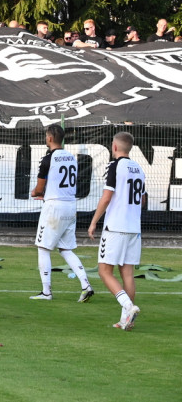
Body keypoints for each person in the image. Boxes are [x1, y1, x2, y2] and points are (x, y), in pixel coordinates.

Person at [28, 125, 94, 302]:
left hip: (54, 207)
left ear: (49, 138)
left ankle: (46, 292)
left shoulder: (48, 159)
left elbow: (39, 188)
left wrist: (35, 193)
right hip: (70, 205)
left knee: (43, 248)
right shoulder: (71, 157)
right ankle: (86, 284)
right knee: (65, 248)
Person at [87, 131, 145, 330]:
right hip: (134, 228)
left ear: (115, 147)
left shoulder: (115, 166)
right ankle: (125, 320)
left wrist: (94, 221)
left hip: (115, 227)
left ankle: (128, 307)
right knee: (127, 273)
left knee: (104, 271)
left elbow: (106, 197)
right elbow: (142, 199)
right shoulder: (139, 168)